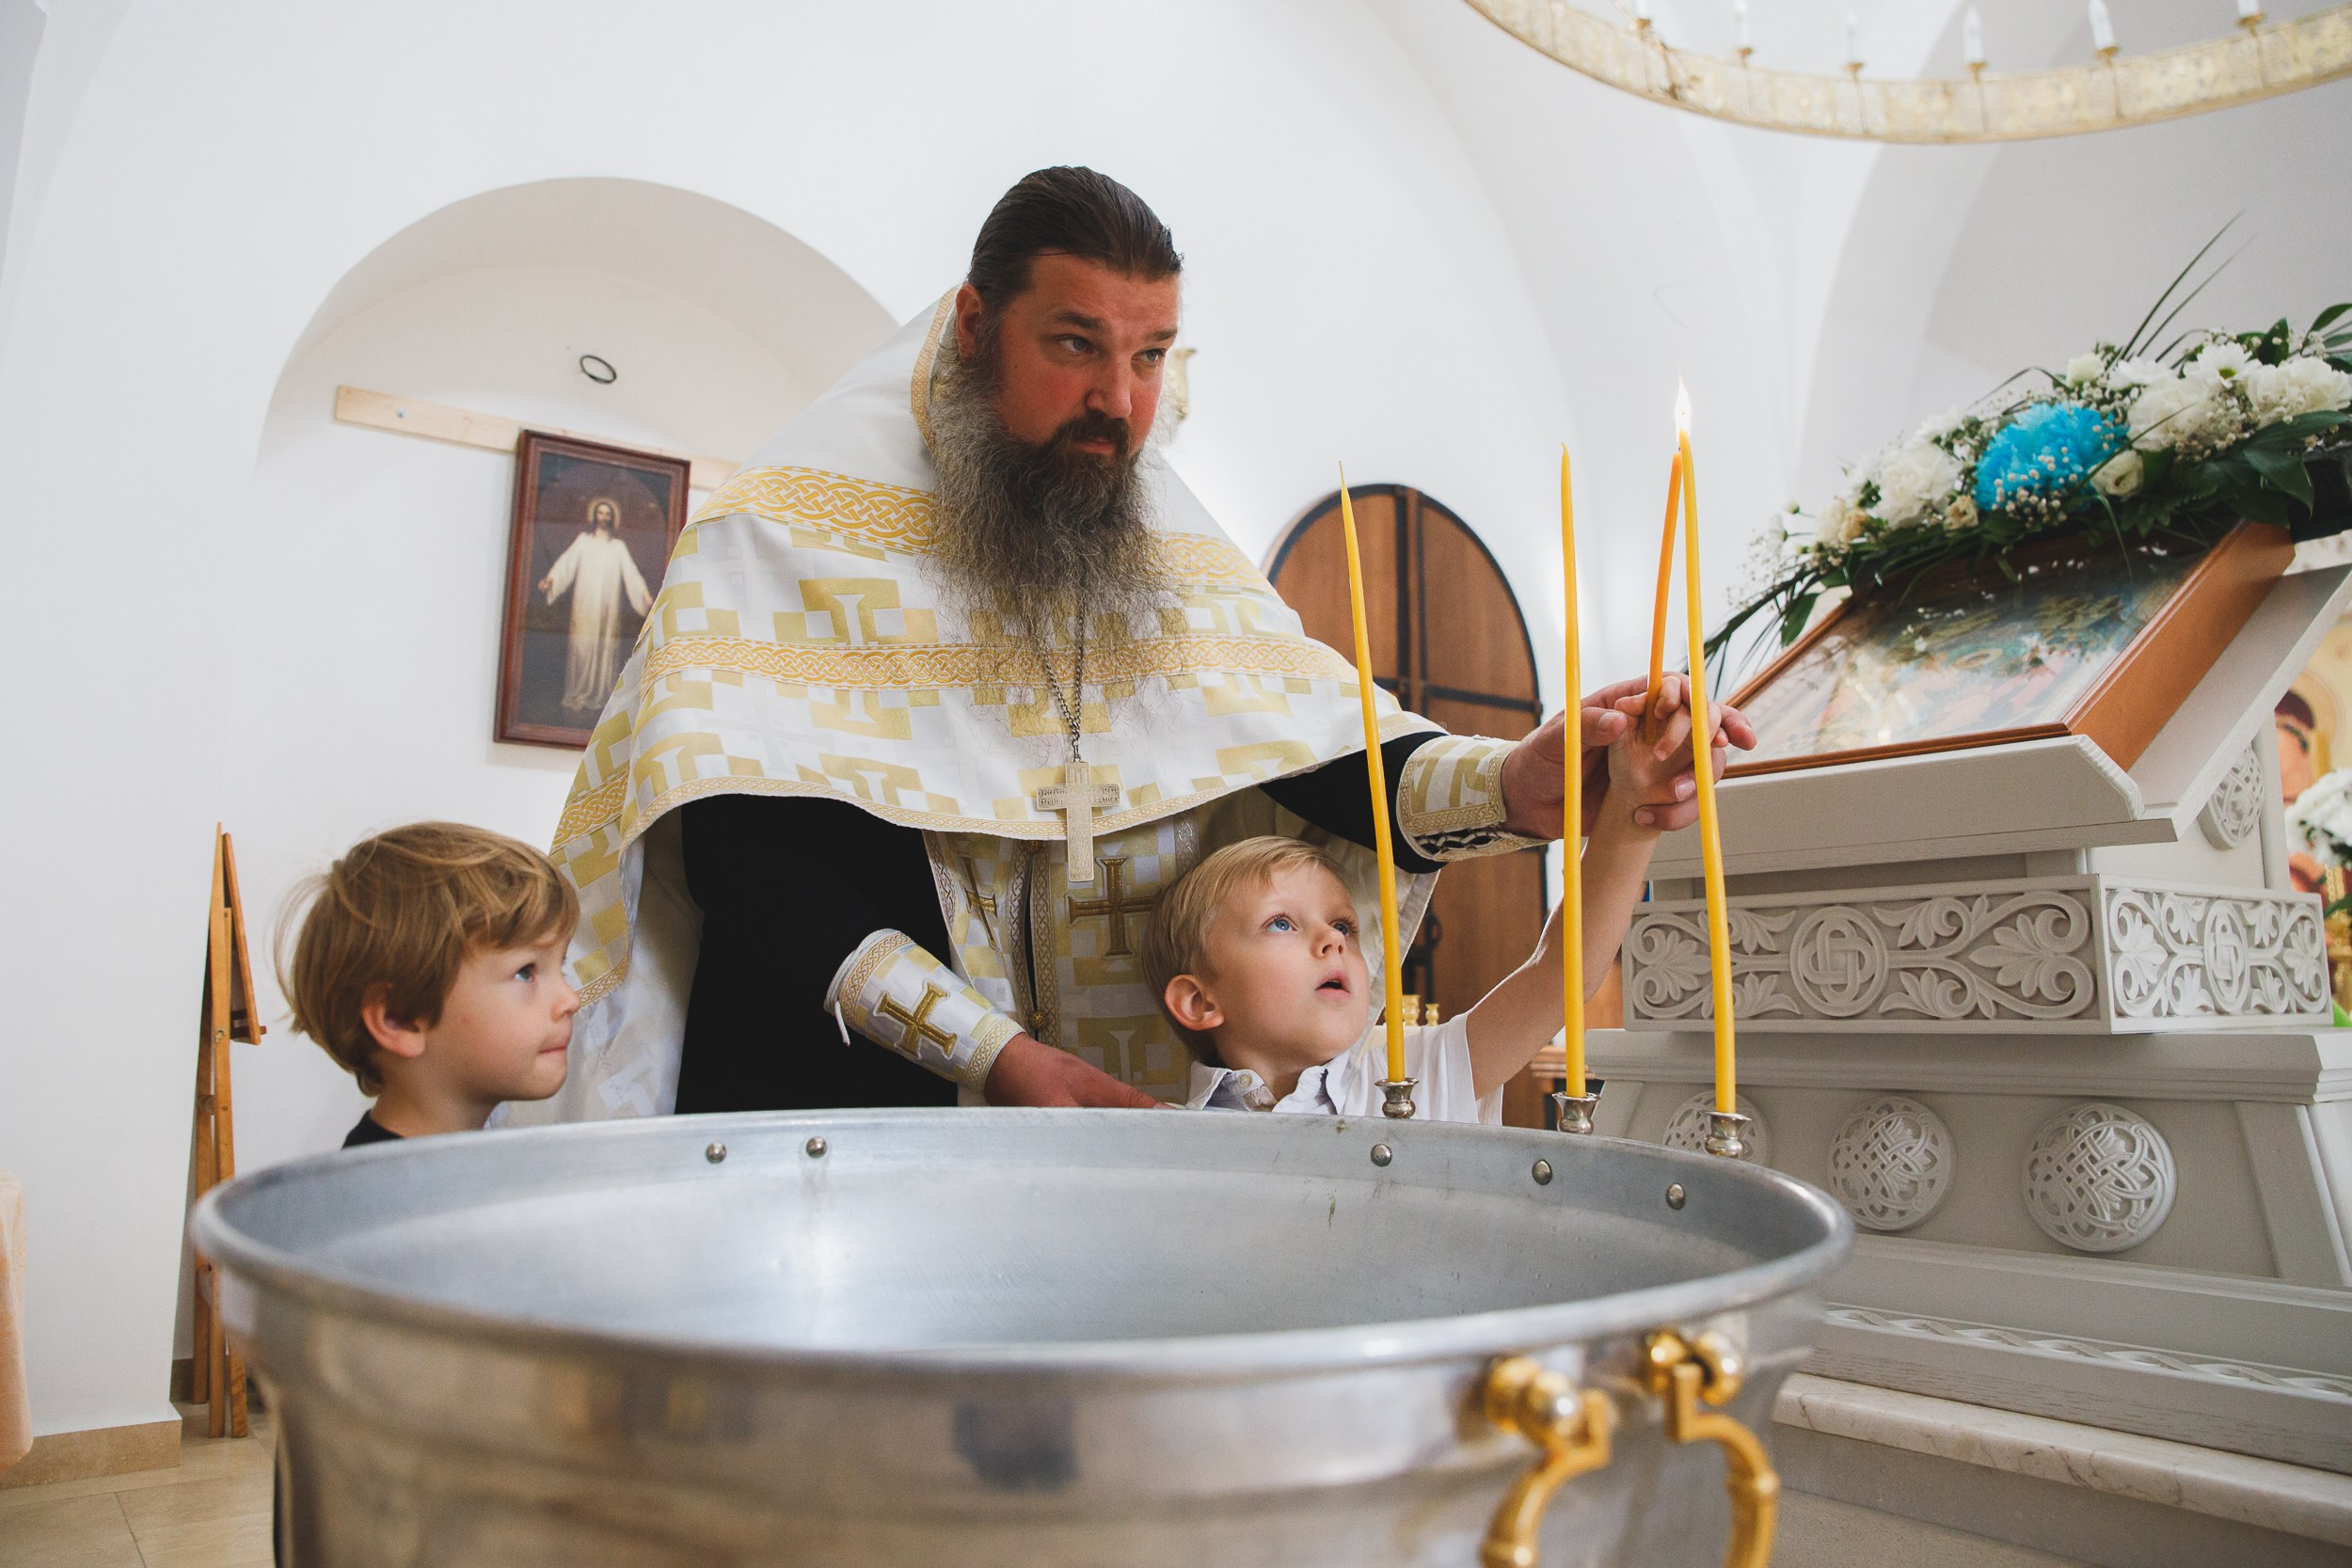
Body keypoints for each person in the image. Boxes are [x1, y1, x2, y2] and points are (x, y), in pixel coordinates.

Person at [505, 166, 1748, 1130]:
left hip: (1115, 1117)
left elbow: (1306, 744)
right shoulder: (781, 532)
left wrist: (1512, 784)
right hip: (841, 1105)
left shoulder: (1161, 547)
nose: (1120, 400)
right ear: (977, 321)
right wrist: (991, 1053)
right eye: (1076, 344)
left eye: (1151, 356)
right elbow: (760, 861)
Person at [1143, 682, 1677, 1121]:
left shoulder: (1419, 1074)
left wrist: (1635, 808)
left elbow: (1563, 973)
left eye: (1345, 926)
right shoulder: (1169, 1140)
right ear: (1200, 1002)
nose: (1332, 939)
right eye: (1282, 923)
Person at [280, 822, 580, 1147]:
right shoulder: (379, 1194)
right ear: (400, 1019)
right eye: (526, 972)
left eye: (559, 965)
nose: (570, 1000)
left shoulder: (458, 1171)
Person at [539, 496, 653, 714]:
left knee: (603, 646)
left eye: (607, 514)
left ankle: (600, 695)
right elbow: (566, 563)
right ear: (594, 516)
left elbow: (632, 574)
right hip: (585, 602)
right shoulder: (584, 541)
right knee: (583, 645)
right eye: (600, 513)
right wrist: (551, 580)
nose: (604, 517)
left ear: (612, 518)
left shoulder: (618, 547)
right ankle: (578, 694)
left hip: (607, 607)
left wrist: (646, 597)